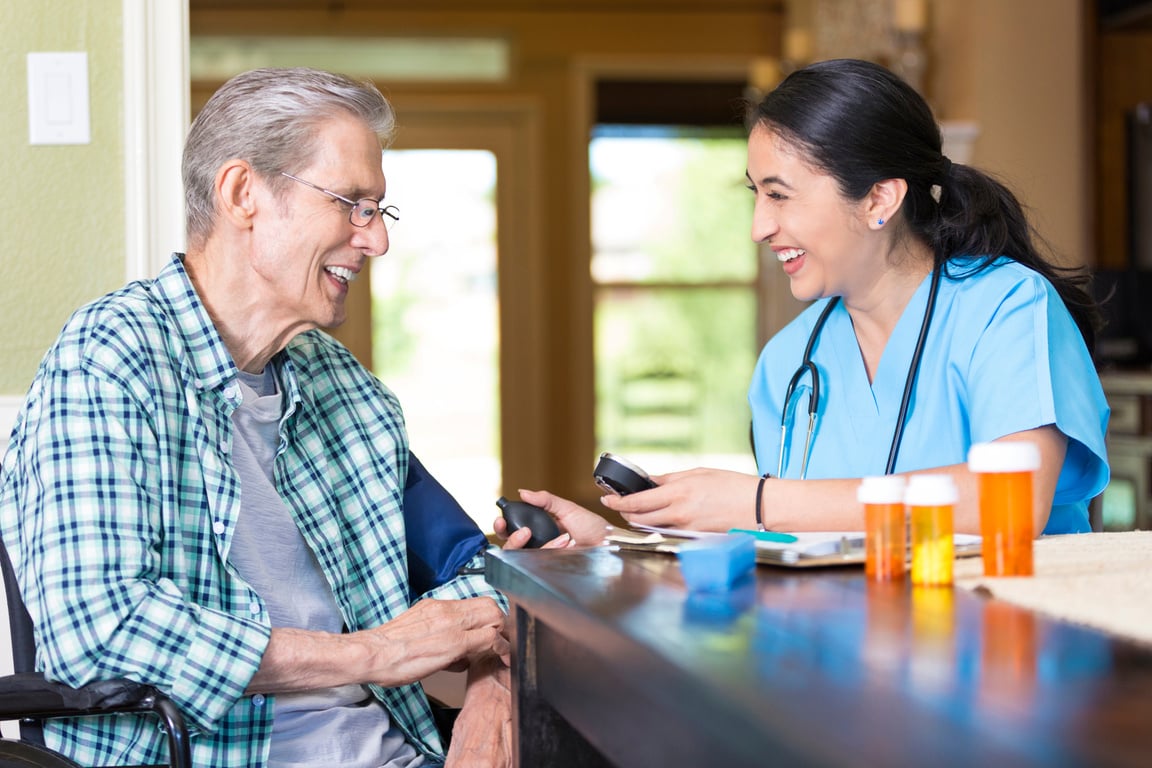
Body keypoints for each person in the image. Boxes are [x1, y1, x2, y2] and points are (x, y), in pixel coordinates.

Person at [0, 68, 511, 768]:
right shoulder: (112, 358)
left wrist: (491, 697)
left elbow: (470, 572)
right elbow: (104, 628)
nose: (376, 241)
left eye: (378, 211)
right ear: (244, 194)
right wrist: (373, 652)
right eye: (351, 204)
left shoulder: (349, 394)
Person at [501, 58, 1109, 547]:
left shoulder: (1005, 306)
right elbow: (790, 545)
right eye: (755, 196)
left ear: (879, 199)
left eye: (780, 195)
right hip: (838, 668)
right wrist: (610, 545)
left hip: (1010, 660)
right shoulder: (789, 360)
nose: (759, 227)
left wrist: (755, 499)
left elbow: (1008, 505)